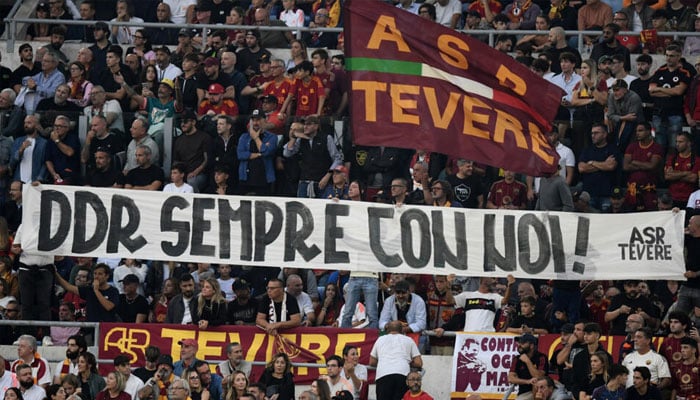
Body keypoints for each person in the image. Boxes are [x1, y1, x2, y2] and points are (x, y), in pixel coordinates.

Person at [370, 320, 422, 400]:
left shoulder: (380, 340)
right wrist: (409, 363)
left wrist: (382, 361)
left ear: (387, 330)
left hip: (383, 375)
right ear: (402, 330)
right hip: (402, 374)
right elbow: (419, 363)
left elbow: (372, 362)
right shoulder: (408, 340)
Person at [53, 263, 119, 322]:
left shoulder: (113, 291)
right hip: (90, 328)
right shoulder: (89, 290)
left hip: (106, 328)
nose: (96, 276)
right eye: (95, 273)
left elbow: (108, 307)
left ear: (107, 276)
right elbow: (68, 287)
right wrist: (55, 273)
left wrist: (96, 290)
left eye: (100, 274)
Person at [623, 122, 664, 211]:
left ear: (648, 131)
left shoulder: (656, 147)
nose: (637, 133)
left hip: (649, 191)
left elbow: (652, 166)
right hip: (632, 191)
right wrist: (644, 165)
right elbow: (626, 166)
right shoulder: (632, 146)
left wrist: (634, 162)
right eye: (636, 131)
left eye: (640, 130)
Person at [237, 109, 277, 195]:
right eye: (253, 120)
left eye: (258, 120)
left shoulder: (272, 137)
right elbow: (240, 155)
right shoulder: (244, 137)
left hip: (264, 179)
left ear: (265, 120)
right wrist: (259, 154)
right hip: (246, 178)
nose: (255, 123)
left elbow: (266, 152)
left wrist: (255, 138)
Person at [508, 333, 548, 400]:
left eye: (522, 343)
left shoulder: (541, 357)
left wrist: (527, 361)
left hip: (540, 392)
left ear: (531, 345)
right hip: (524, 393)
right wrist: (527, 381)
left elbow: (539, 377)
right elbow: (511, 378)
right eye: (519, 343)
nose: (519, 345)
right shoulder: (517, 359)